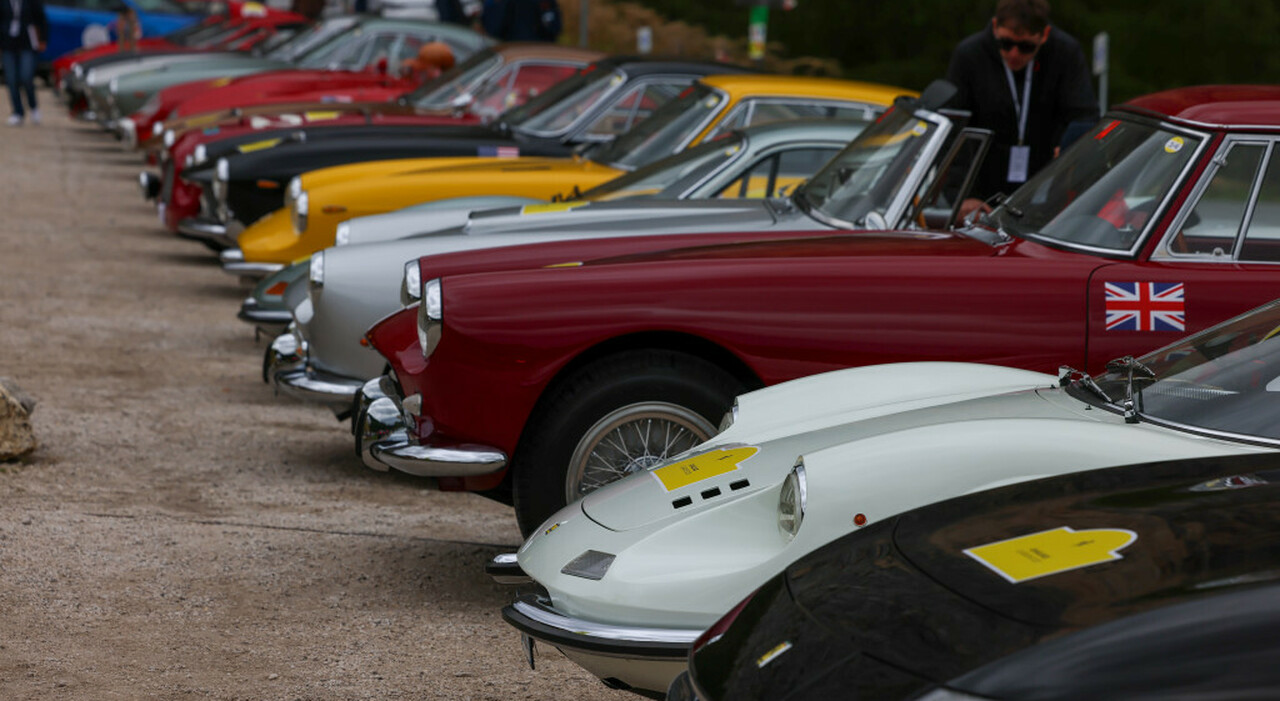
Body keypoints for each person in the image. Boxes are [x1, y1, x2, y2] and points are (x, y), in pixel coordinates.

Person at [946, 0, 1097, 218]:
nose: (1015, 54)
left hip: (1044, 186)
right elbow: (953, 128)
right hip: (981, 189)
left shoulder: (1065, 53)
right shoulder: (969, 54)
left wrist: (1066, 146)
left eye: (1026, 47)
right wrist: (961, 195)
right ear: (995, 26)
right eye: (1006, 44)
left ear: (1044, 35)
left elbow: (1084, 115)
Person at [0, 0, 47, 126]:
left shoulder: (31, 2)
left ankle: (33, 106)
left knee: (26, 76)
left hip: (27, 44)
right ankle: (18, 112)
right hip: (8, 44)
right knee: (11, 79)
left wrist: (43, 39)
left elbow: (41, 19)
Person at [484, 0, 561, 42]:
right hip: (521, 48)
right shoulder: (510, 3)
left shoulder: (546, 3)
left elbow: (555, 28)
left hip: (534, 48)